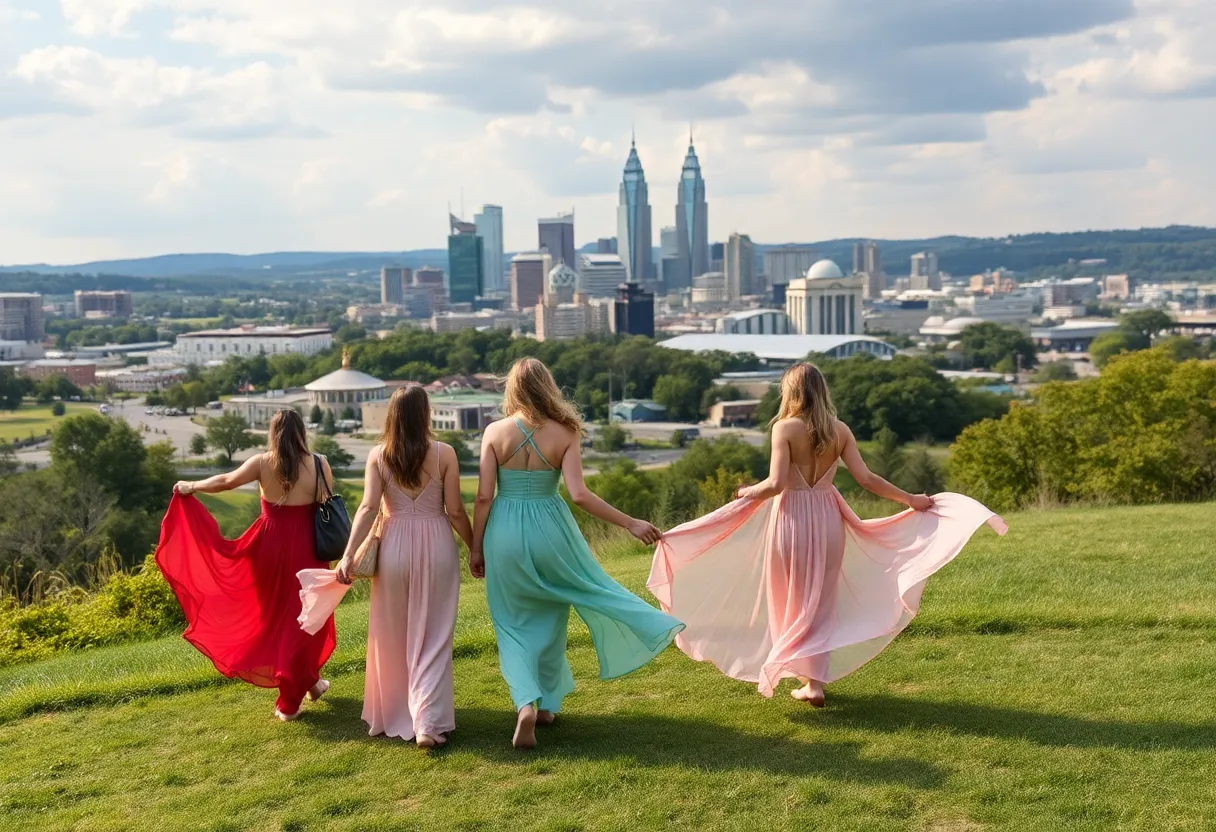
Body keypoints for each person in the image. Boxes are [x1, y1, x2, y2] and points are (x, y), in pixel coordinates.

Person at [648, 362, 1006, 707]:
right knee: (820, 602)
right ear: (822, 391)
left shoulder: (784, 429)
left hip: (790, 522)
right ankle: (813, 684)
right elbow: (867, 480)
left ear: (791, 392)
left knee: (787, 597)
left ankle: (790, 667)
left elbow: (774, 485)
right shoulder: (841, 430)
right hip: (828, 521)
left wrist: (746, 493)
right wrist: (910, 499)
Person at [472, 358, 685, 750]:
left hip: (504, 531)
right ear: (547, 387)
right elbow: (580, 495)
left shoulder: (494, 432)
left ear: (512, 390)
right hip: (552, 530)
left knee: (511, 623)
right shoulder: (566, 432)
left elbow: (484, 496)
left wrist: (475, 546)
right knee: (556, 610)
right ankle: (549, 703)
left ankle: (527, 703)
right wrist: (630, 523)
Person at [297, 385, 473, 749]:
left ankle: (400, 711)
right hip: (436, 543)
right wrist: (475, 547)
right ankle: (427, 720)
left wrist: (348, 554)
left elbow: (367, 508)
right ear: (425, 414)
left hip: (394, 547)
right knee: (435, 634)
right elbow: (455, 510)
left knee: (393, 634)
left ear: (392, 415)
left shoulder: (379, 455)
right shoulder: (445, 454)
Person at [157, 409, 337, 722]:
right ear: (301, 433)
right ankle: (291, 698)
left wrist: (193, 486)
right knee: (308, 621)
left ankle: (308, 683)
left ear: (273, 433)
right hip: (309, 549)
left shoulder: (261, 462)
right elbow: (327, 503)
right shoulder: (319, 464)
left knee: (276, 619)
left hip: (267, 549)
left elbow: (226, 481)